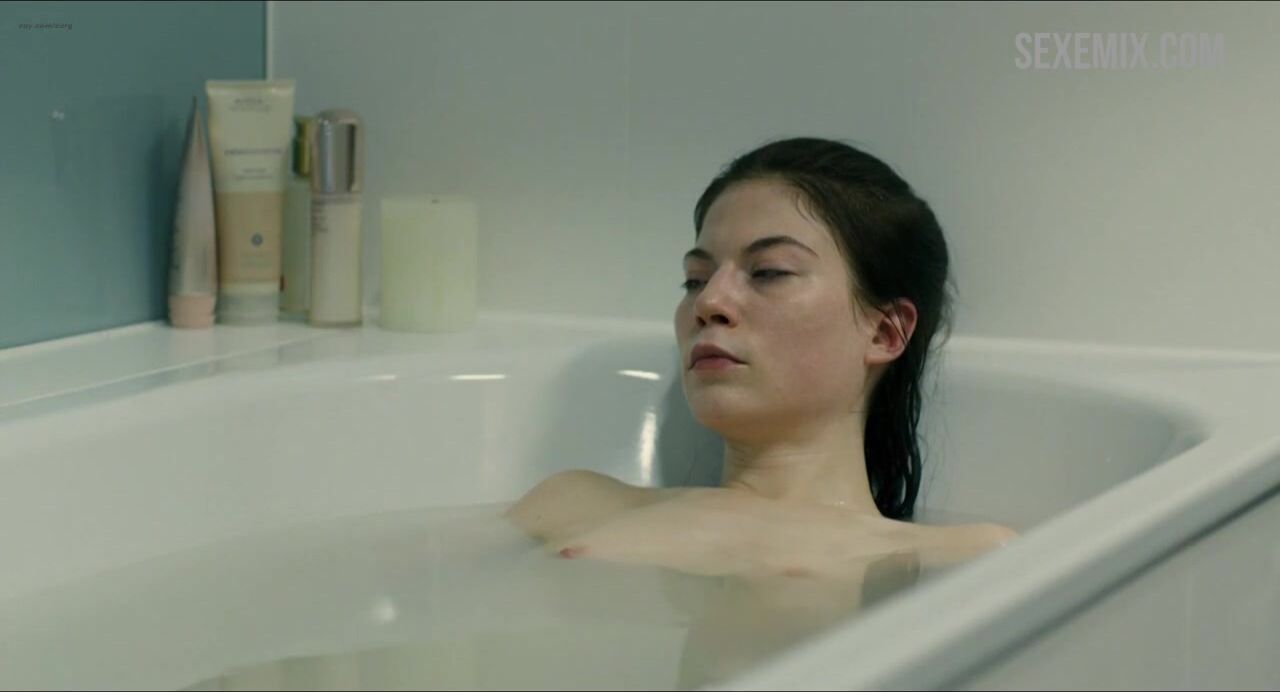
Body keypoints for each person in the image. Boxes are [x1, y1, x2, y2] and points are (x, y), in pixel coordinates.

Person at [505, 137, 1017, 581]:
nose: (709, 302)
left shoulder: (965, 557)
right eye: (695, 279)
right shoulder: (570, 504)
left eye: (769, 272)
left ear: (885, 332)